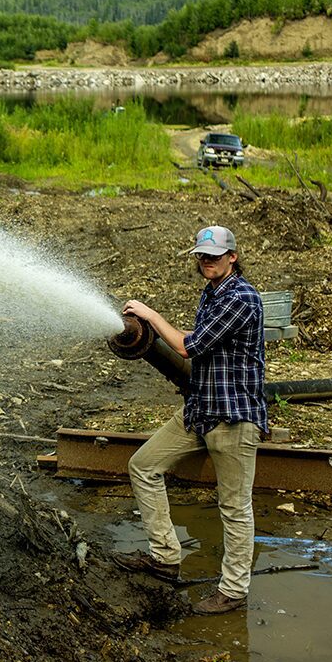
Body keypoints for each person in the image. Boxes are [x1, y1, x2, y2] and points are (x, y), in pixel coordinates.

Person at [114, 225, 268, 615]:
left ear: (232, 257)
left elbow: (188, 346)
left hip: (233, 416)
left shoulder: (242, 297)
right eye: (201, 257)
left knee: (234, 506)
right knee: (143, 466)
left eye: (214, 257)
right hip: (200, 408)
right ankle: (165, 556)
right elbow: (196, 337)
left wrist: (150, 315)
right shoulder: (213, 293)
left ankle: (233, 591)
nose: (206, 263)